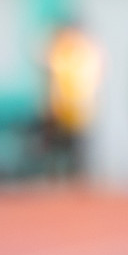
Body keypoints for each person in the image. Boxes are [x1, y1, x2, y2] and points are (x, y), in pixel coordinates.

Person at [42, 19, 103, 179]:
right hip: (59, 109)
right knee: (58, 151)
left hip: (80, 110)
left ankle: (78, 184)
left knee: (79, 153)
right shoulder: (60, 51)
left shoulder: (87, 51)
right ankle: (60, 182)